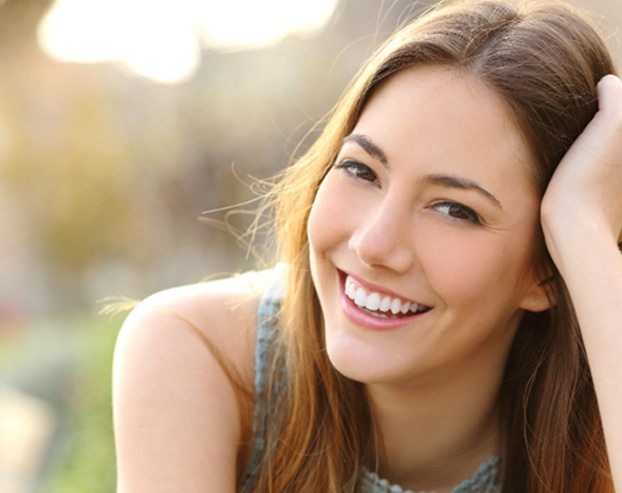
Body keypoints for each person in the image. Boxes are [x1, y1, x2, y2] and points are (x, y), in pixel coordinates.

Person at [112, 0, 622, 491]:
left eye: (454, 209)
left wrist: (584, 230)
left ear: (547, 272)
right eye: (360, 170)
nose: (374, 243)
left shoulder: (600, 416)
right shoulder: (199, 353)